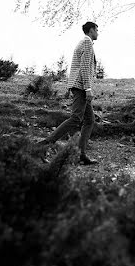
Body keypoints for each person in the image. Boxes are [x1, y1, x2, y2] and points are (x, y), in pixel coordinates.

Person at [40, 21, 100, 165]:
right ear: (91, 30)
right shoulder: (87, 43)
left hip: (79, 86)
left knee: (89, 120)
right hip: (81, 87)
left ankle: (81, 154)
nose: (98, 33)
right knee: (75, 119)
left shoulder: (84, 43)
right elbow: (85, 67)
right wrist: (88, 88)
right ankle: (43, 146)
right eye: (97, 30)